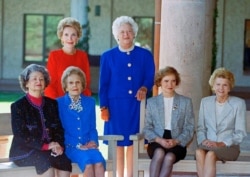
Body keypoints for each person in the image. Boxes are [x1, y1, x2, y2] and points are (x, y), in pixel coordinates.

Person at [98, 15, 155, 177]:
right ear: (116, 34)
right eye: (122, 32)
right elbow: (104, 84)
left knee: (132, 143)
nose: (125, 34)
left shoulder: (145, 55)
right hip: (115, 107)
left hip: (135, 106)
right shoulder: (108, 56)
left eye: (129, 31)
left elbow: (149, 76)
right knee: (116, 143)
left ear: (134, 33)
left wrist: (144, 87)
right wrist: (103, 107)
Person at [9, 64, 71, 177]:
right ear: (26, 83)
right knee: (45, 163)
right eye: (34, 79)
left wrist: (59, 145)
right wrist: (45, 146)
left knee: (64, 162)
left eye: (41, 79)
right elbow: (20, 135)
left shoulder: (52, 104)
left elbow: (58, 129)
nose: (39, 81)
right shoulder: (18, 106)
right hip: (24, 151)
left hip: (49, 150)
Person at [143, 66, 195, 177]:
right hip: (157, 140)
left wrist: (177, 141)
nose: (170, 84)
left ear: (176, 82)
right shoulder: (152, 102)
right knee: (159, 153)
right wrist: (159, 140)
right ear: (160, 82)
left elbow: (189, 128)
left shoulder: (185, 102)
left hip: (178, 142)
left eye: (173, 81)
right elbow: (147, 128)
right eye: (166, 81)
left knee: (169, 157)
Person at [196, 67, 247, 177]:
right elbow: (201, 128)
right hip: (209, 145)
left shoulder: (238, 104)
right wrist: (204, 140)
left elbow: (240, 133)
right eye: (218, 84)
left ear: (229, 87)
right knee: (199, 152)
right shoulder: (205, 102)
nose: (221, 88)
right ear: (213, 86)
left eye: (225, 85)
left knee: (210, 155)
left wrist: (220, 143)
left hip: (229, 147)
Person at [57, 66, 105, 177]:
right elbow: (60, 131)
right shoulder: (58, 103)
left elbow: (93, 127)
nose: (75, 85)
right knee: (88, 163)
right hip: (71, 146)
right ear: (66, 86)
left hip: (89, 145)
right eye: (71, 83)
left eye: (78, 82)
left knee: (99, 162)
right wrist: (78, 145)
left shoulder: (90, 102)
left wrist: (93, 141)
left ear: (82, 85)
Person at [45, 17, 91, 99]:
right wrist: (56, 104)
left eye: (73, 35)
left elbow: (86, 84)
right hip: (58, 103)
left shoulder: (82, 56)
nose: (70, 38)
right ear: (61, 37)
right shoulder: (54, 56)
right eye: (66, 35)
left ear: (77, 37)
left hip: (78, 104)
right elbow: (50, 85)